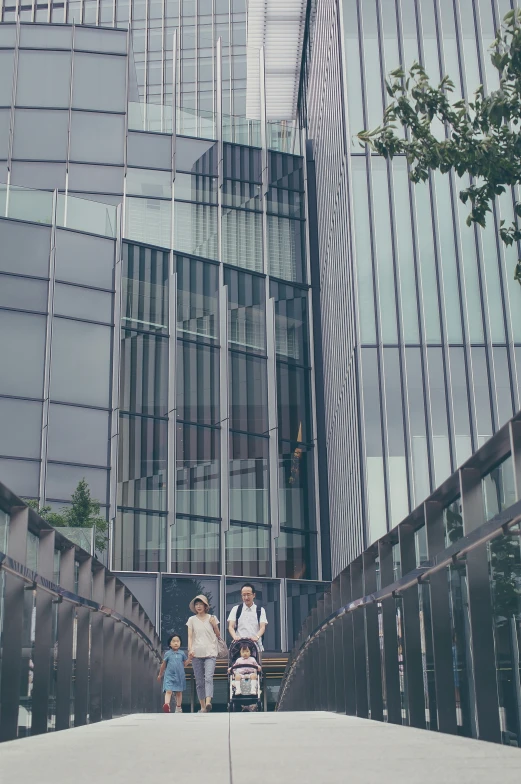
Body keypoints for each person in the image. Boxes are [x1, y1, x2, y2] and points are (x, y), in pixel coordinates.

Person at [186, 594, 220, 713]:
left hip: (210, 652)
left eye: (201, 604)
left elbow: (218, 635)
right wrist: (190, 649)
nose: (198, 606)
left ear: (206, 606)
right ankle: (202, 707)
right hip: (196, 653)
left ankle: (208, 702)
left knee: (208, 678)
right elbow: (190, 636)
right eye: (196, 604)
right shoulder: (191, 620)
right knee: (199, 681)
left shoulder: (212, 618)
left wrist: (214, 625)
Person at [227, 583, 268, 654]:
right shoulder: (236, 609)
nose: (246, 597)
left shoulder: (260, 610)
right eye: (244, 595)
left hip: (255, 646)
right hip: (239, 646)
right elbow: (231, 626)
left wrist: (257, 637)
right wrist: (235, 637)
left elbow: (262, 627)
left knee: (254, 665)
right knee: (238, 664)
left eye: (248, 594)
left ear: (254, 595)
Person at [157, 633, 192, 714]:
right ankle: (167, 705)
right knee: (168, 691)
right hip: (169, 675)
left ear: (180, 643)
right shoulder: (167, 654)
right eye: (174, 641)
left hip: (179, 676)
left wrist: (190, 658)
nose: (176, 643)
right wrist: (160, 674)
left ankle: (178, 707)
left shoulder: (182, 653)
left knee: (179, 692)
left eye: (177, 641)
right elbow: (163, 665)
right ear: (170, 643)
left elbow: (185, 664)